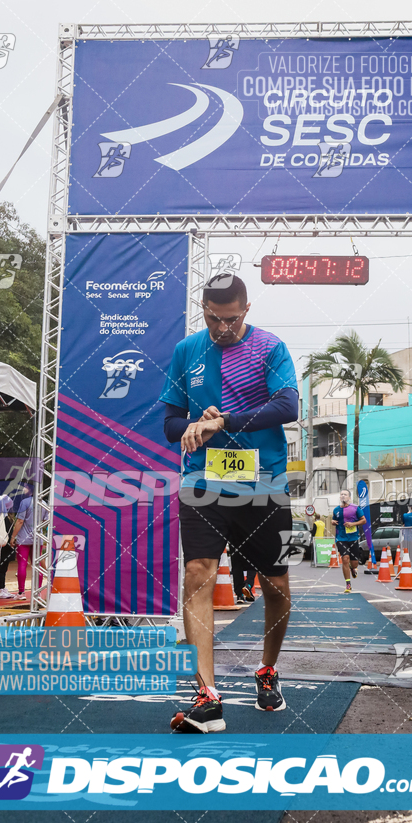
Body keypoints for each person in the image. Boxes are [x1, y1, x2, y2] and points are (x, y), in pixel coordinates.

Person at [160, 273, 298, 733]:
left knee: (276, 584)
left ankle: (267, 670)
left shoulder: (270, 348)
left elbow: (288, 407)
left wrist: (226, 422)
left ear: (246, 310)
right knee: (197, 572)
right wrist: (193, 425)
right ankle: (207, 696)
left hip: (264, 481)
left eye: (230, 319)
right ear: (203, 309)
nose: (220, 327)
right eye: (211, 317)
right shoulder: (187, 351)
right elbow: (168, 422)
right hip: (203, 480)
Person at [8, 480, 42, 600]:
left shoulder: (25, 502)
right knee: (37, 565)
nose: (23, 489)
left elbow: (20, 521)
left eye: (25, 487)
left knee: (22, 564)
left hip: (23, 539)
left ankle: (22, 593)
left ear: (30, 488)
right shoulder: (44, 503)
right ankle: (37, 593)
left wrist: (13, 537)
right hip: (38, 538)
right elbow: (45, 521)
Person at [332, 490, 366, 593]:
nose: (343, 496)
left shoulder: (355, 508)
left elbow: (363, 520)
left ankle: (353, 568)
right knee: (345, 559)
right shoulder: (336, 510)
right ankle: (348, 584)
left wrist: (353, 524)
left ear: (349, 498)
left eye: (345, 494)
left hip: (353, 538)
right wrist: (332, 522)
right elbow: (334, 520)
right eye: (341, 494)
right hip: (341, 538)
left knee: (354, 563)